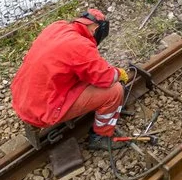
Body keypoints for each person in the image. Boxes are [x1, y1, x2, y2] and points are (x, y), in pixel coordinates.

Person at [11, 9, 130, 151]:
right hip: (42, 110)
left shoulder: (57, 27)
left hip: (22, 98)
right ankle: (100, 137)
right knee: (115, 91)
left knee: (86, 77)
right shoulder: (81, 45)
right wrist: (119, 73)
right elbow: (106, 78)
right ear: (96, 29)